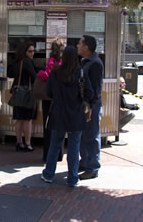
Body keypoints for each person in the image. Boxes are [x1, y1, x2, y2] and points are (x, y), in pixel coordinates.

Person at [41, 46, 94, 187]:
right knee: (74, 147)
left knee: (55, 144)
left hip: (58, 113)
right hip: (76, 114)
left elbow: (48, 92)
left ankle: (48, 174)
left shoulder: (55, 72)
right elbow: (89, 93)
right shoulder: (81, 73)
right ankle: (72, 178)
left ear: (63, 57)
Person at [77, 35, 104, 180]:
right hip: (85, 105)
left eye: (79, 44)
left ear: (86, 47)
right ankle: (85, 162)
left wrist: (91, 107)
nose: (77, 46)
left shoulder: (95, 64)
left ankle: (93, 167)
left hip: (91, 106)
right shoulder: (85, 61)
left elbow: (96, 89)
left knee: (92, 136)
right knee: (84, 135)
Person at [37, 38, 64, 162]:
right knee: (59, 126)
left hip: (49, 98)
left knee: (48, 125)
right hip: (61, 97)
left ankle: (47, 154)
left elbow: (48, 75)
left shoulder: (52, 61)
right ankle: (59, 154)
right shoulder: (64, 61)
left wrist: (40, 73)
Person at [10, 41, 37, 152]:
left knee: (19, 119)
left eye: (33, 51)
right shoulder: (27, 62)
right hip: (26, 94)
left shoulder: (18, 62)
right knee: (27, 120)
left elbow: (12, 73)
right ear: (25, 52)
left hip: (17, 93)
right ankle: (28, 143)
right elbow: (34, 76)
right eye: (30, 51)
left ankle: (18, 142)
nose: (32, 53)